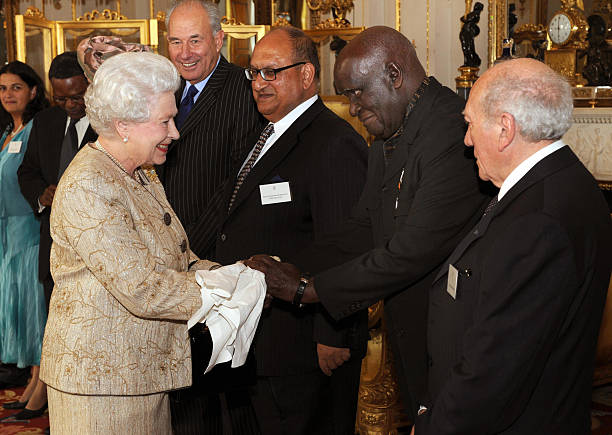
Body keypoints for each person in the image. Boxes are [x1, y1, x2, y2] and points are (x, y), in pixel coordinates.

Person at [245, 25, 491, 419]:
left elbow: (408, 253)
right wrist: (283, 267)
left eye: (357, 93)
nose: (354, 108)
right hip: (414, 332)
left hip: (459, 340)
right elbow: (361, 228)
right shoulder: (391, 131)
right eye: (347, 97)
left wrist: (306, 289)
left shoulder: (449, 132)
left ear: (394, 75)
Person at [38, 51, 261, 434]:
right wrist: (225, 290)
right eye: (165, 121)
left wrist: (237, 274)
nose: (174, 132)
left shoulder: (140, 174)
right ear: (124, 125)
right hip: (101, 386)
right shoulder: (90, 184)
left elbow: (181, 260)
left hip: (140, 375)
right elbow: (144, 289)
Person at [410, 58, 612, 434]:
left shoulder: (540, 219)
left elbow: (496, 369)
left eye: (469, 123)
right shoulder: (554, 183)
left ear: (504, 128)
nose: (467, 139)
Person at [216, 27, 368, 434]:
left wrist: (334, 333)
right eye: (254, 73)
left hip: (302, 348)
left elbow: (346, 247)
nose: (259, 83)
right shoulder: (261, 132)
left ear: (307, 75)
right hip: (254, 342)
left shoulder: (334, 143)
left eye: (272, 72)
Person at [160, 1, 264, 432]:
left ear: (219, 39)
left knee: (225, 399)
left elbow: (235, 187)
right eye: (175, 41)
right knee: (184, 398)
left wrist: (183, 252)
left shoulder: (242, 89)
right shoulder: (163, 90)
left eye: (195, 40)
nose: (185, 52)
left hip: (216, 266)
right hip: (171, 274)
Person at [18, 51, 97, 310]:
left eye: (77, 97)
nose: (70, 105)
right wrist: (41, 195)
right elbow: (27, 171)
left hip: (95, 250)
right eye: (60, 98)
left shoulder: (108, 123)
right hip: (53, 250)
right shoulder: (45, 121)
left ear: (91, 83)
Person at [0, 61, 49, 421]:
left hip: (29, 229)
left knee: (35, 309)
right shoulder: (7, 131)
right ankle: (33, 380)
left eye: (16, 87)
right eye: (2, 88)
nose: (7, 94)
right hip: (7, 233)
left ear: (33, 91)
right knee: (19, 307)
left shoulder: (35, 130)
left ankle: (40, 385)